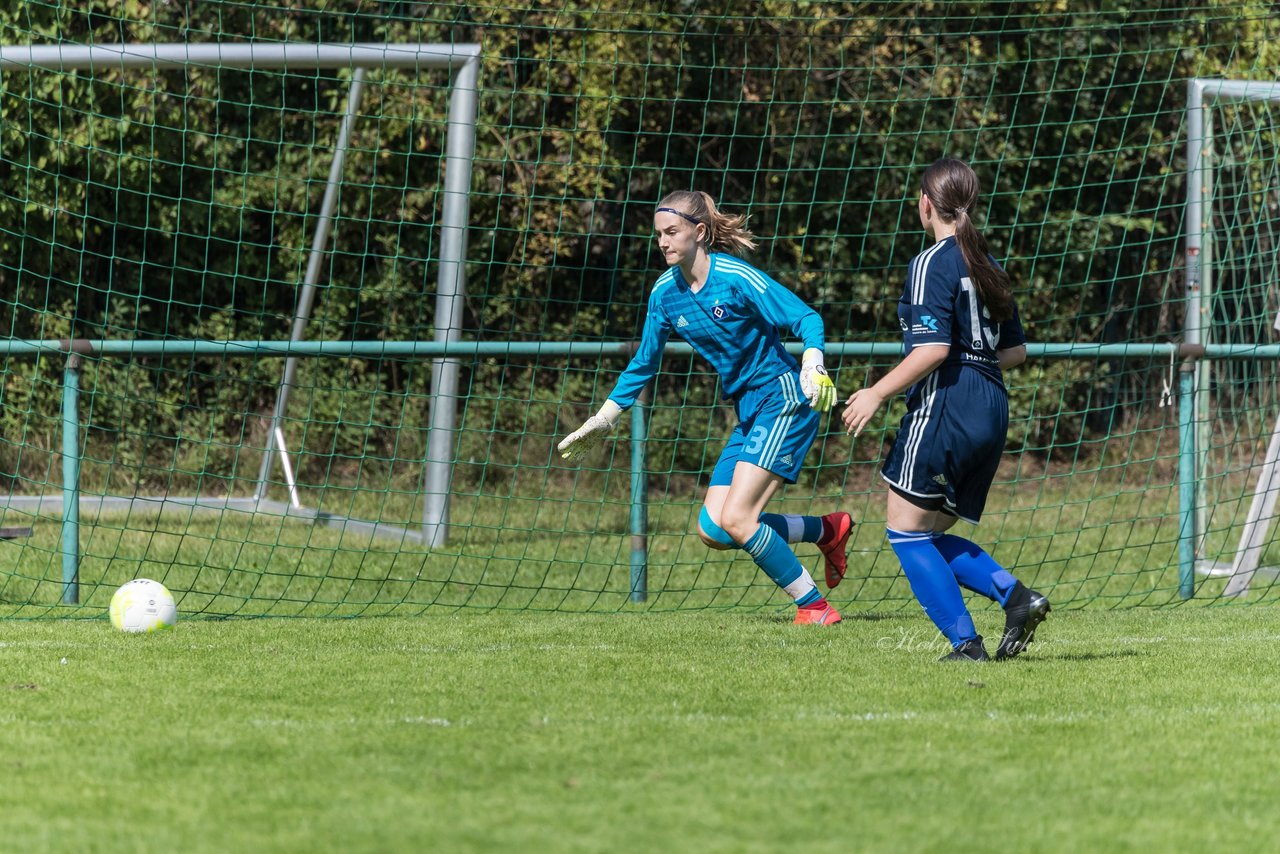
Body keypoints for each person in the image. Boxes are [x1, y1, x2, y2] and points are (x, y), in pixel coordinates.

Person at [558, 190, 853, 625]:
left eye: (672, 232)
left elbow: (806, 317)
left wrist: (813, 359)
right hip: (749, 411)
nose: (663, 242)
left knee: (737, 517)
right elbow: (643, 363)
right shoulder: (664, 294)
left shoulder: (735, 277)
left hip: (784, 398)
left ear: (699, 233)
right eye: (658, 234)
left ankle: (815, 609)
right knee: (714, 529)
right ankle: (827, 530)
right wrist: (604, 417)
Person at [841, 157, 1049, 661]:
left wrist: (875, 392)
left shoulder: (931, 261)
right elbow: (1015, 352)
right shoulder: (988, 262)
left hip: (949, 402)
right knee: (926, 533)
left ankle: (967, 643)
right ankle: (1019, 601)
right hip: (992, 403)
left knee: (905, 534)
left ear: (926, 203)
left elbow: (932, 350)